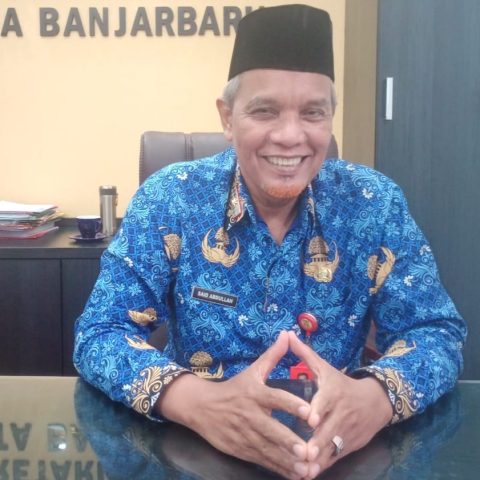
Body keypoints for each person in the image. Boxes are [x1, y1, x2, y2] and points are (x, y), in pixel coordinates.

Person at [74, 5, 466, 480]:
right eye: (265, 111)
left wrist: (376, 398)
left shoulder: (373, 204)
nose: (289, 136)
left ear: (331, 118)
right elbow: (100, 332)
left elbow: (437, 332)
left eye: (313, 113)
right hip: (198, 453)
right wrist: (198, 402)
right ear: (228, 117)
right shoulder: (171, 199)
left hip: (334, 452)